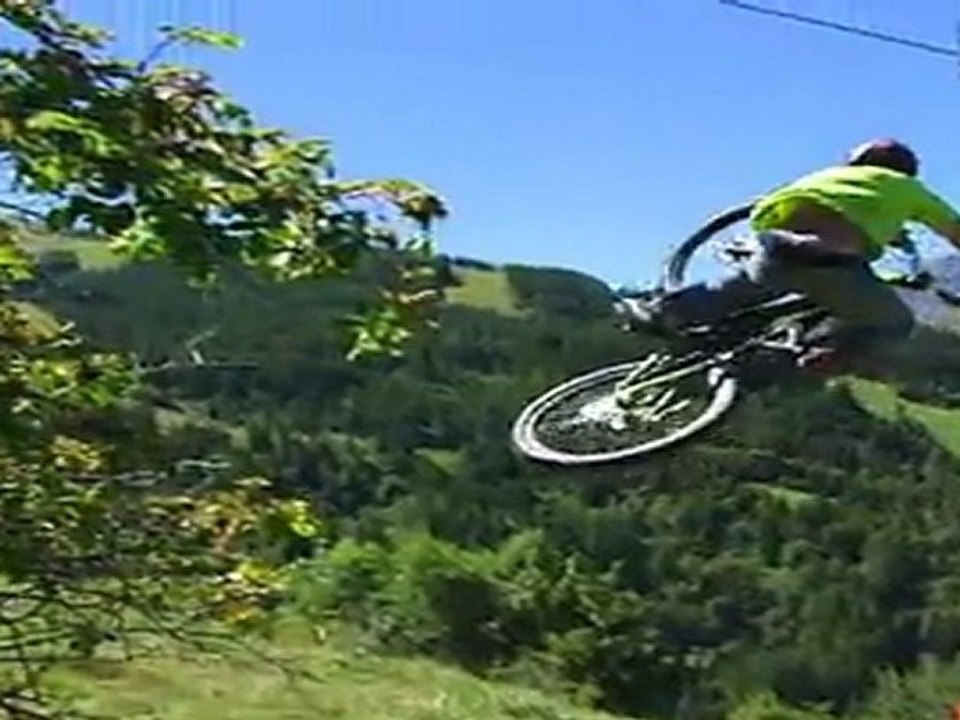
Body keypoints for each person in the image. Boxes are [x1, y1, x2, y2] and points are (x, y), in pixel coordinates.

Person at [661, 139, 960, 374]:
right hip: (831, 263)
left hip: (776, 245)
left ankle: (663, 309)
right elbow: (954, 231)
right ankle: (825, 357)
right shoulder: (908, 189)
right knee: (893, 324)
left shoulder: (827, 176)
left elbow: (848, 207)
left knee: (741, 286)